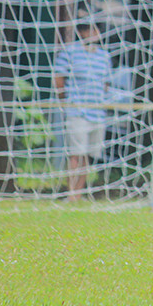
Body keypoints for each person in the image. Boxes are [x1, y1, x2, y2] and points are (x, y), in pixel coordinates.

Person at [53, 17, 113, 201]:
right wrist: (65, 100)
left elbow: (107, 83)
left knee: (88, 155)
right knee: (75, 154)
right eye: (89, 29)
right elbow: (59, 78)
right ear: (82, 32)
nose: (93, 33)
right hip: (77, 111)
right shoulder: (70, 53)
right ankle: (71, 193)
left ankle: (78, 193)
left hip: (97, 113)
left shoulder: (104, 56)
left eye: (96, 29)